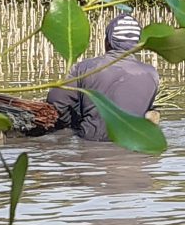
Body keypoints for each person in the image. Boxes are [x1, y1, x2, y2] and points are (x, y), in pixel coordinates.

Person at [46, 13, 160, 143]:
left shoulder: (84, 69)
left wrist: (73, 126)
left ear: (108, 42)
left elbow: (56, 102)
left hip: (91, 145)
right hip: (134, 147)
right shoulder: (152, 74)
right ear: (137, 44)